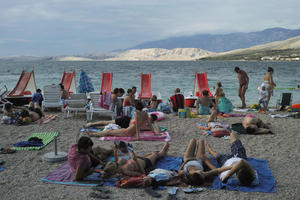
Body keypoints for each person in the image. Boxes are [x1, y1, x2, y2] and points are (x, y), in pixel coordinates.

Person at [86, 101, 161, 139]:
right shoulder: (145, 114)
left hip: (127, 131)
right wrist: (155, 133)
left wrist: (137, 137)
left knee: (109, 132)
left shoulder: (136, 114)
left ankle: (92, 134)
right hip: (129, 131)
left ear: (136, 108)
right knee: (110, 132)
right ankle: (93, 133)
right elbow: (150, 125)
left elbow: (137, 125)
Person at [103, 142, 169, 177]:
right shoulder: (126, 171)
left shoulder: (119, 164)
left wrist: (115, 151)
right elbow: (142, 173)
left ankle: (158, 152)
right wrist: (136, 161)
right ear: (115, 171)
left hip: (138, 157)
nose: (116, 163)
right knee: (157, 154)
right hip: (147, 163)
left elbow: (116, 160)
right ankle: (163, 151)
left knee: (153, 153)